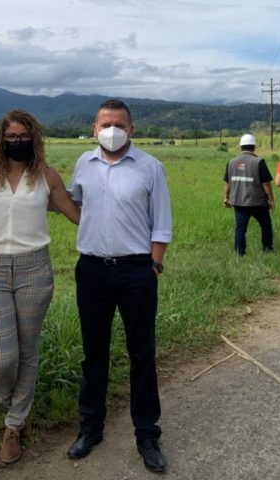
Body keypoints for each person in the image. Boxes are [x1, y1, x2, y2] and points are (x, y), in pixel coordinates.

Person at [0, 110, 80, 464]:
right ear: (1, 140)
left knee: (28, 348)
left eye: (23, 136)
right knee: (5, 357)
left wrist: (122, 230)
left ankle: (13, 424)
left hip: (34, 268)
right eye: (11, 137)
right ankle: (12, 404)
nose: (17, 141)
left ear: (34, 139)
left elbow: (74, 213)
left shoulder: (47, 177)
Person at [65, 99, 172, 473]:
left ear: (132, 129)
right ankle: (90, 427)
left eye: (119, 124)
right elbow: (73, 203)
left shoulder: (150, 168)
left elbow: (161, 223)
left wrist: (154, 265)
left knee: (142, 353)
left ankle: (147, 433)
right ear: (94, 128)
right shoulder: (83, 164)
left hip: (137, 271)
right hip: (92, 269)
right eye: (105, 123)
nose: (112, 130)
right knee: (94, 352)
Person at [223, 134, 275, 256]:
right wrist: (271, 200)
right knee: (266, 225)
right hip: (258, 202)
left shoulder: (231, 162)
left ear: (241, 146)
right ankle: (267, 249)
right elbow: (266, 184)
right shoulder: (259, 162)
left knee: (240, 229)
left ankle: (239, 253)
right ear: (254, 147)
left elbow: (227, 182)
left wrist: (226, 197)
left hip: (238, 202)